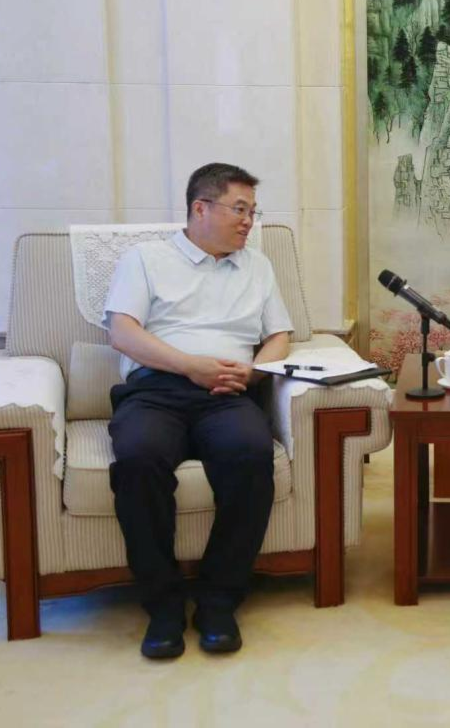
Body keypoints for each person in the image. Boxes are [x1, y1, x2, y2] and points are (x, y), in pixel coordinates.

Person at [104, 163, 293, 659]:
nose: (248, 221)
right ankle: (163, 606)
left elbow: (279, 335)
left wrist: (252, 373)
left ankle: (218, 601)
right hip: (157, 389)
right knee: (138, 458)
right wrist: (191, 366)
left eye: (253, 211)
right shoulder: (146, 259)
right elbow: (122, 332)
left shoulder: (257, 266)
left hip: (229, 393)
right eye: (240, 209)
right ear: (200, 208)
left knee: (252, 454)